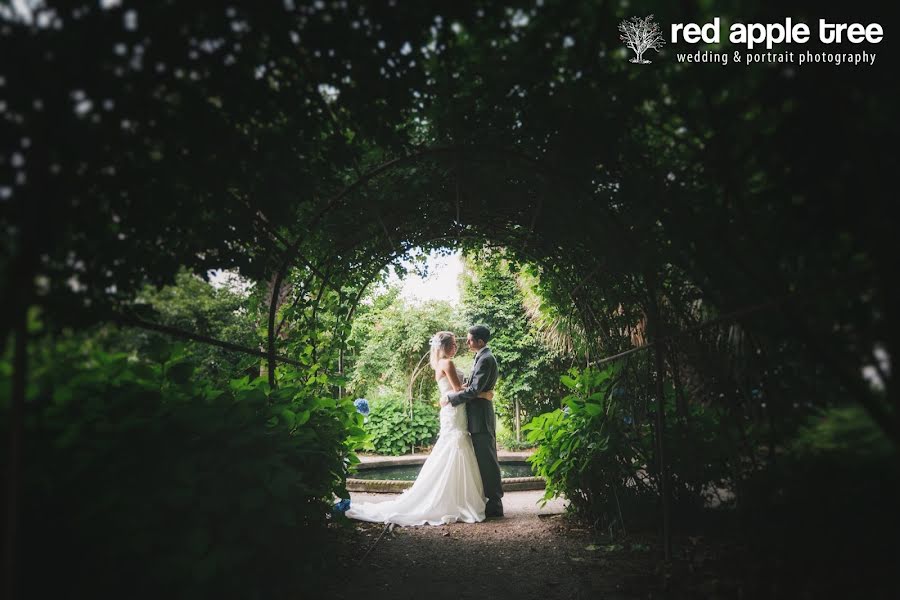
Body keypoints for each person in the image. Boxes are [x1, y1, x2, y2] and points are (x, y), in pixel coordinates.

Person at [345, 331, 494, 526]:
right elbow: (458, 390)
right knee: (455, 445)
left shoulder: (440, 363)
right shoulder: (447, 363)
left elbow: (457, 388)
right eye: (453, 345)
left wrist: (469, 391)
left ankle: (456, 497)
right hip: (454, 410)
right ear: (445, 347)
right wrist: (484, 394)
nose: (457, 347)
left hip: (454, 410)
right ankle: (457, 500)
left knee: (455, 446)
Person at [445, 325, 503, 518]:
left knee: (488, 461)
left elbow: (474, 390)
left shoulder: (486, 359)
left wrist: (451, 398)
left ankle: (495, 505)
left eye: (470, 340)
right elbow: (475, 388)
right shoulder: (481, 357)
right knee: (484, 459)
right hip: (477, 415)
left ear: (480, 341)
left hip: (481, 418)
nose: (467, 342)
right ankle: (490, 501)